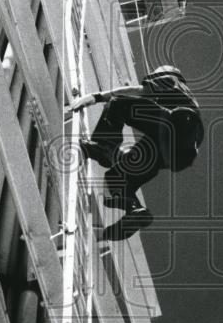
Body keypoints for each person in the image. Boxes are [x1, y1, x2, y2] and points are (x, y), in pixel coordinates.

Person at [67, 65, 204, 241]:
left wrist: (95, 97)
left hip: (178, 124)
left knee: (118, 103)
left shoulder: (171, 78)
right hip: (179, 153)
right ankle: (134, 211)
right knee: (115, 180)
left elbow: (141, 90)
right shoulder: (184, 97)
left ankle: (102, 148)